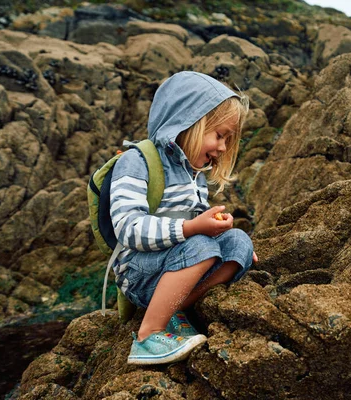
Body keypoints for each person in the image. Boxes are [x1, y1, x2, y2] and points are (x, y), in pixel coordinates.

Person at [109, 71, 258, 365]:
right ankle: (148, 335)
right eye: (218, 136)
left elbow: (199, 227)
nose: (223, 148)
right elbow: (128, 228)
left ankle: (174, 308)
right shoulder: (136, 162)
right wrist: (193, 228)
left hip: (179, 264)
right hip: (139, 272)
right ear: (187, 123)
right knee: (199, 245)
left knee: (240, 242)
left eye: (228, 140)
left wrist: (217, 229)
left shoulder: (193, 173)